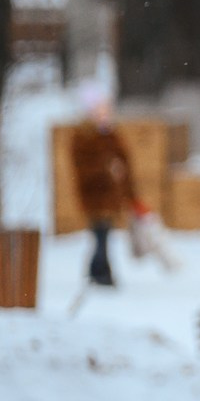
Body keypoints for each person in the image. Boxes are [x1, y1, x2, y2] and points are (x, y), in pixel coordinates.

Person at [68, 92, 135, 287]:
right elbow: (82, 168)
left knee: (103, 234)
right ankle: (101, 272)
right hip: (93, 194)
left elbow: (124, 160)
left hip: (109, 195)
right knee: (101, 234)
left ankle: (97, 271)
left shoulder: (110, 135)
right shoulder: (83, 137)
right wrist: (106, 168)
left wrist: (126, 188)